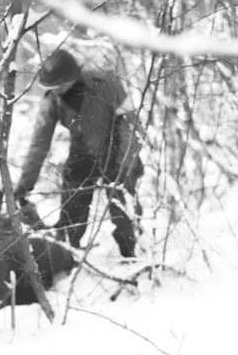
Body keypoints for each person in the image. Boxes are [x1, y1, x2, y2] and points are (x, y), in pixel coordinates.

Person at [12, 48, 143, 258]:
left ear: (72, 78)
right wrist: (25, 182)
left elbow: (131, 124)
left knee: (122, 210)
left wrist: (125, 163)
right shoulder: (52, 100)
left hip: (117, 148)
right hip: (82, 152)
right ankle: (67, 254)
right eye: (52, 87)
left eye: (59, 86)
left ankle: (133, 257)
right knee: (72, 207)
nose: (56, 91)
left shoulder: (105, 83)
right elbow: (39, 142)